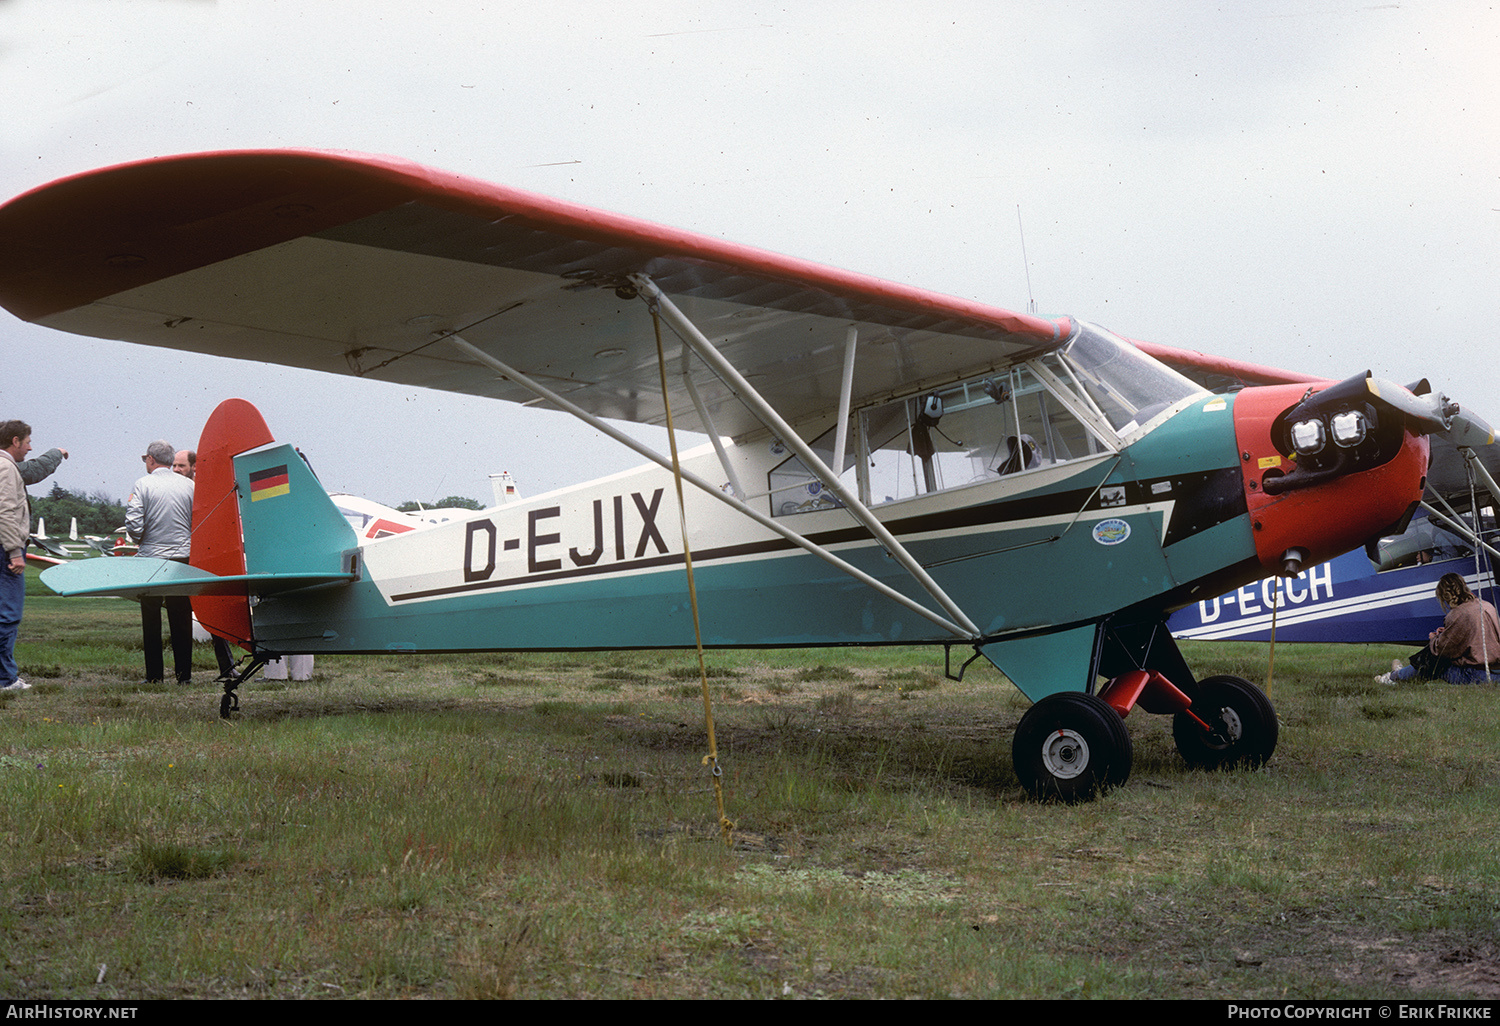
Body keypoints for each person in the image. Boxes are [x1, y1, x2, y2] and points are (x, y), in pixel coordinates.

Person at [126, 440, 196, 684]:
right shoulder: (189, 485)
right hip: (182, 556)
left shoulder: (143, 484)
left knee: (151, 617)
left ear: (151, 459)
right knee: (181, 616)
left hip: (151, 557)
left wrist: (142, 540)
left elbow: (134, 523)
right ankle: (184, 676)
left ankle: (154, 675)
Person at [1377, 572, 1500, 684]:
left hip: (1478, 676)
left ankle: (1395, 677)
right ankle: (1401, 674)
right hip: (1496, 673)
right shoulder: (1487, 605)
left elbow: (1441, 650)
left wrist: (1434, 638)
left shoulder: (1458, 614)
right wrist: (1447, 633)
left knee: (1432, 659)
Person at [0, 421, 34, 692]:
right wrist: (14, 552)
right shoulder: (6, 467)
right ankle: (5, 678)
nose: (30, 447)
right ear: (15, 441)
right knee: (9, 614)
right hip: (6, 549)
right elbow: (5, 512)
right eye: (27, 442)